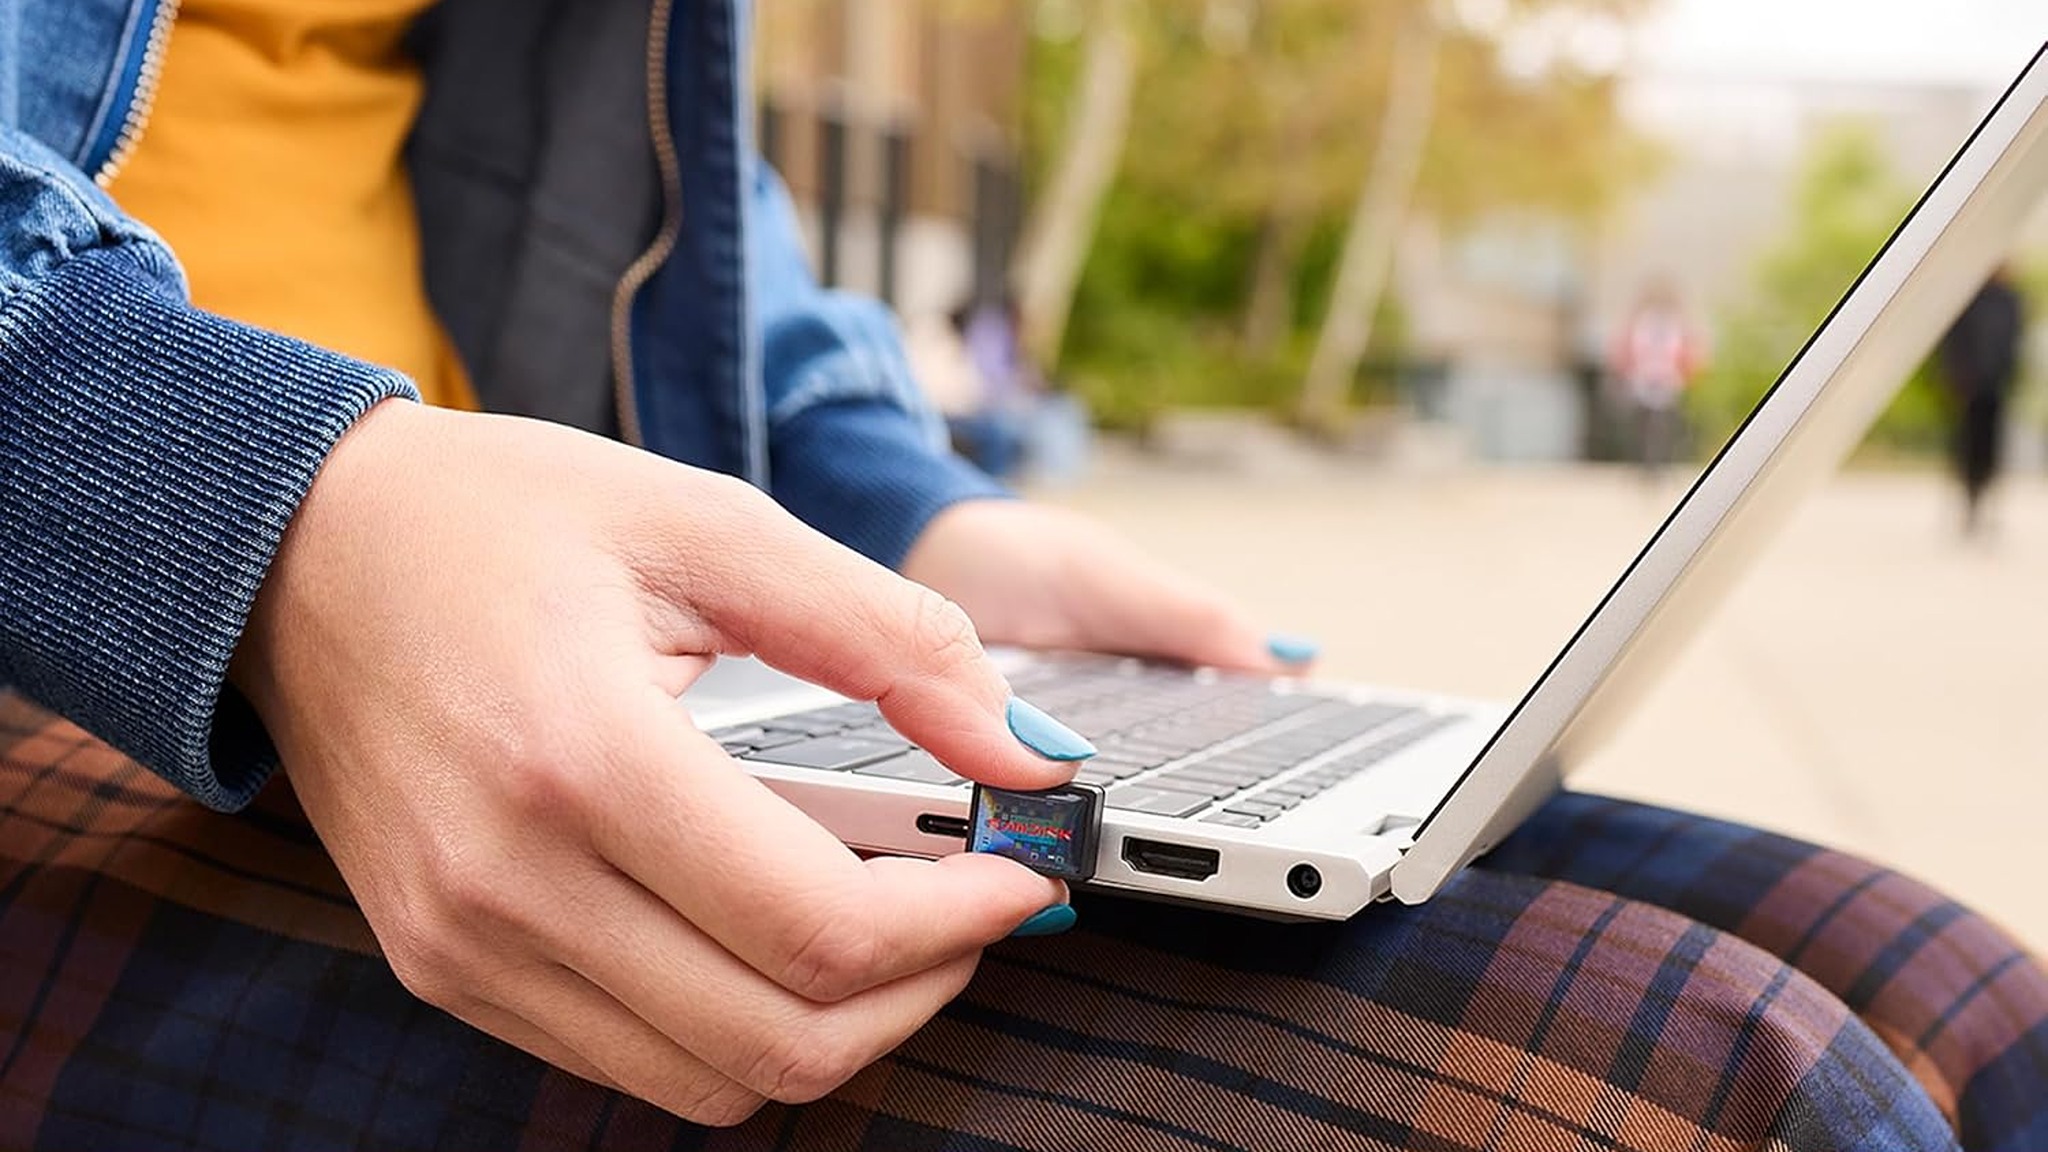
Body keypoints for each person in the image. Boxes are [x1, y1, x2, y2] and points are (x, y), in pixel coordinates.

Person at [0, 4, 2041, 1150]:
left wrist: (903, 517)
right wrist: (265, 525)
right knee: (1729, 1100)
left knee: (1950, 988)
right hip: (91, 632)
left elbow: (640, 191)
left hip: (561, 612)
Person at [1939, 269, 2028, 535]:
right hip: (1969, 386)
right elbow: (1954, 342)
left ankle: (1986, 505)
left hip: (1996, 386)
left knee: (1992, 449)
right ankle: (1970, 505)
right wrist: (1957, 378)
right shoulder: (1969, 298)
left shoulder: (2010, 300)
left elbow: (2013, 343)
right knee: (1968, 448)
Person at [1610, 280, 1708, 478]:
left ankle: (1658, 464)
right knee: (1646, 425)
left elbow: (1686, 350)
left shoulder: (1673, 323)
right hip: (1645, 377)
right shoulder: (1642, 322)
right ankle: (1647, 465)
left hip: (1666, 378)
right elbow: (1628, 349)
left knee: (1663, 425)